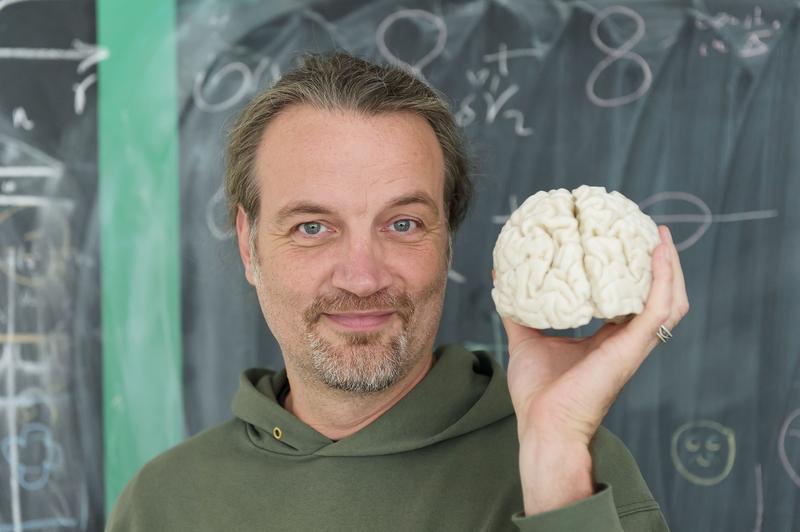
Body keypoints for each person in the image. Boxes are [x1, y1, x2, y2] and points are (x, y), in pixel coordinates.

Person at [106, 51, 688, 531]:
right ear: (248, 245)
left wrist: (556, 466)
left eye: (403, 224)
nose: (362, 277)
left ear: (449, 244)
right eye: (313, 227)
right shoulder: (162, 503)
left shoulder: (582, 469)